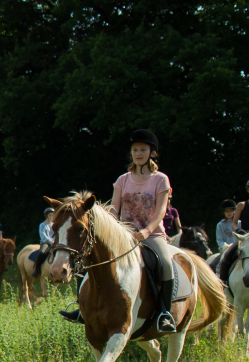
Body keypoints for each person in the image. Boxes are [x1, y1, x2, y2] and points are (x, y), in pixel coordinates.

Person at [61, 129, 177, 333]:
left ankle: (165, 314)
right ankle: (83, 308)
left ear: (152, 153)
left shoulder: (161, 179)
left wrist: (148, 231)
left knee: (165, 264)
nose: (138, 153)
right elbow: (113, 210)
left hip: (152, 235)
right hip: (123, 236)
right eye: (135, 150)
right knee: (89, 259)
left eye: (143, 149)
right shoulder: (123, 179)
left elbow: (160, 211)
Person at [31, 206, 55, 278]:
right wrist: (49, 241)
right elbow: (42, 235)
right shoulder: (42, 225)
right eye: (50, 215)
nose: (51, 217)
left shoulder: (54, 224)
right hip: (45, 242)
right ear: (46, 216)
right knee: (41, 252)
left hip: (54, 242)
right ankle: (36, 269)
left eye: (52, 215)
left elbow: (56, 234)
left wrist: (54, 241)